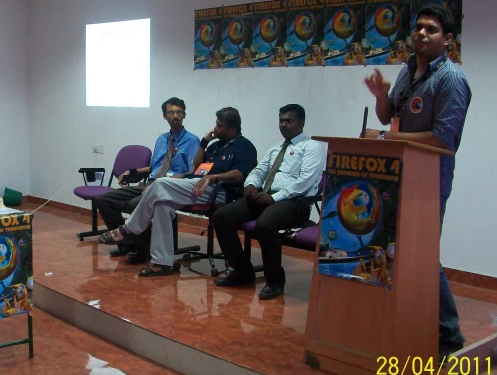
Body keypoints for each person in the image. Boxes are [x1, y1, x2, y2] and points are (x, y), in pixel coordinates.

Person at [363, 2, 471, 358]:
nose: (422, 34)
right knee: (398, 253)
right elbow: (389, 114)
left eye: (432, 29)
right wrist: (381, 97)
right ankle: (408, 321)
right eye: (419, 28)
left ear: (448, 39)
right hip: (397, 177)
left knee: (423, 256)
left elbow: (442, 140)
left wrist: (381, 138)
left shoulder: (452, 79)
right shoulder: (409, 71)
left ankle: (449, 336)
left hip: (429, 183)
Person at [106, 107, 257, 276]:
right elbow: (196, 167)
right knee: (162, 205)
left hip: (220, 190)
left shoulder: (244, 146)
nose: (215, 128)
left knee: (160, 184)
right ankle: (162, 263)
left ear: (232, 128)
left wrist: (213, 177)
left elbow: (240, 174)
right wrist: (203, 143)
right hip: (197, 184)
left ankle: (129, 229)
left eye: (219, 125)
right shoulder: (216, 146)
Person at [211, 104, 326, 300]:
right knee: (221, 217)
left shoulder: (312, 147)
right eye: (281, 121)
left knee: (265, 225)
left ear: (301, 122)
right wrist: (251, 185)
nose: (284, 125)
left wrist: (273, 197)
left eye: (289, 121)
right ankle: (243, 272)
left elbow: (304, 181)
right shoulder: (276, 148)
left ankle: (275, 282)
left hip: (294, 202)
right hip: (266, 196)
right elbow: (259, 171)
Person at [96, 97, 199, 261]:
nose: (175, 116)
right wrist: (132, 171)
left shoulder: (193, 141)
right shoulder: (161, 139)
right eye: (171, 112)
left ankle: (143, 251)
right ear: (164, 116)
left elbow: (192, 171)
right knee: (103, 200)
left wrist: (159, 184)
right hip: (149, 182)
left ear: (184, 115)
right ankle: (127, 245)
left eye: (179, 112)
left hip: (169, 187)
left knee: (134, 204)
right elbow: (154, 167)